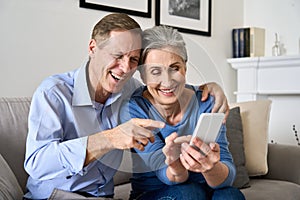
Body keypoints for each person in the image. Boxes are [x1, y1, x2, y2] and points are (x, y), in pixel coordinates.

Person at [24, 13, 230, 199]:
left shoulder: (129, 88)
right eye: (118, 56)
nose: (125, 68)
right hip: (54, 195)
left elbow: (162, 87)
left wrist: (210, 87)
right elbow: (36, 163)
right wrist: (110, 138)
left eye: (133, 59)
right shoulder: (54, 92)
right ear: (92, 48)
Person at [119, 25, 245, 200]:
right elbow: (163, 171)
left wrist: (209, 168)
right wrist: (175, 164)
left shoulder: (207, 101)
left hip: (204, 189)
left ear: (185, 68)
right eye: (155, 71)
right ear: (143, 76)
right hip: (154, 193)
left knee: (231, 196)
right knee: (189, 193)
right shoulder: (134, 108)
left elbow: (226, 179)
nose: (167, 81)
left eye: (175, 68)